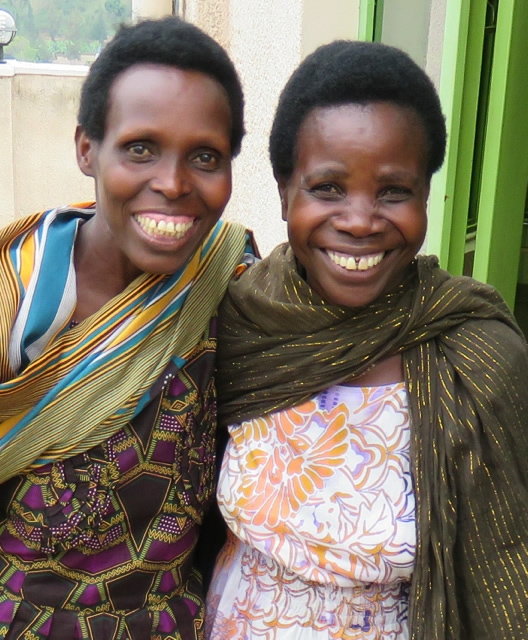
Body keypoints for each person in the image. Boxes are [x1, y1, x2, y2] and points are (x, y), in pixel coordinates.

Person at [205, 40, 528, 639]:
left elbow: (505, 558)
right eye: (327, 187)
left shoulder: (475, 353)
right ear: (284, 191)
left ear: (426, 196)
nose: (359, 220)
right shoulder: (241, 323)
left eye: (393, 191)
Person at [0, 15, 253, 640]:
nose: (172, 183)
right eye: (140, 147)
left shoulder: (229, 276)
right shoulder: (15, 293)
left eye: (205, 156)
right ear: (87, 148)